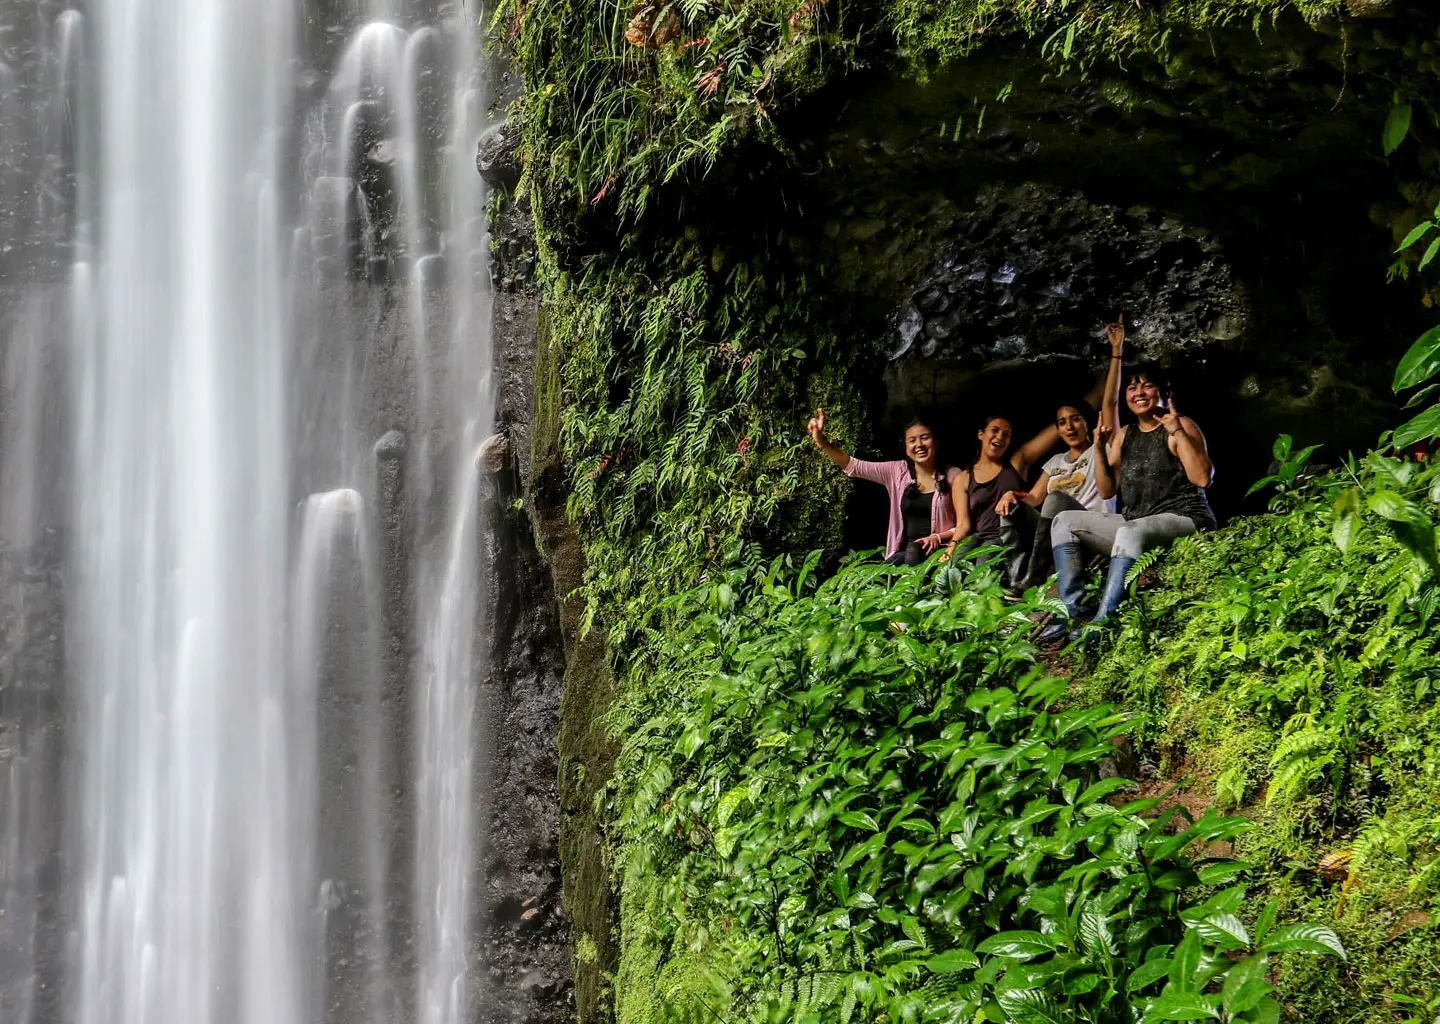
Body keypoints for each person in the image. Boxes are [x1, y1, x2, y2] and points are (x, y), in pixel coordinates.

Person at [1043, 324, 1216, 640]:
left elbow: (1202, 478)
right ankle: (1074, 612)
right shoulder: (1125, 436)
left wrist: (1176, 430)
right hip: (1137, 523)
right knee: (1063, 521)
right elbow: (1108, 489)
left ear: (1162, 394)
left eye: (1147, 387)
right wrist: (1098, 446)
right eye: (1132, 388)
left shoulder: (1179, 426)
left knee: (1129, 530)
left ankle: (1102, 622)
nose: (1138, 393)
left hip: (1184, 517)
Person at [807, 409, 961, 564]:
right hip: (904, 555)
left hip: (941, 553)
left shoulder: (953, 476)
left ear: (936, 443)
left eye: (925, 438)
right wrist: (822, 441)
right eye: (912, 440)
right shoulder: (897, 472)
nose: (919, 445)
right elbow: (853, 466)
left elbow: (965, 525)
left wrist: (938, 538)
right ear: (906, 449)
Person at [994, 396, 1116, 590]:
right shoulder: (1055, 461)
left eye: (1075, 419)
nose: (1069, 427)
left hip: (1089, 526)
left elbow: (1111, 402)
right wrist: (1012, 495)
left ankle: (1035, 574)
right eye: (1062, 422)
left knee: (1056, 499)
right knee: (1011, 510)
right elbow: (1034, 498)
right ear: (1058, 430)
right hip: (1054, 530)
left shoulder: (1101, 449)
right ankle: (1016, 578)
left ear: (1087, 422)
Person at [942, 414, 1057, 561]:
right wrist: (950, 549)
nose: (1000, 436)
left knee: (985, 557)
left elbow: (1053, 432)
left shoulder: (1016, 463)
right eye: (995, 430)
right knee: (954, 562)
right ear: (981, 434)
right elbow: (963, 525)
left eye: (1006, 434)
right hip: (980, 537)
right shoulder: (963, 478)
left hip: (1010, 536)